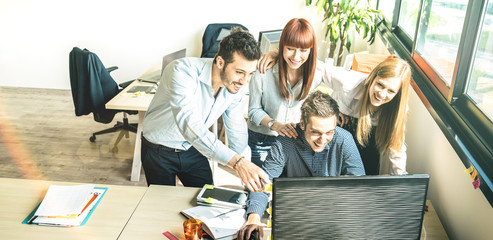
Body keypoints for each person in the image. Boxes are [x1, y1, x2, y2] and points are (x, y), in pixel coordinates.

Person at [141, 27, 270, 192]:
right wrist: (238, 163)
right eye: (240, 72)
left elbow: (236, 127)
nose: (245, 81)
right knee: (162, 206)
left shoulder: (235, 86)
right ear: (220, 62)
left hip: (193, 147)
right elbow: (190, 126)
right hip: (159, 150)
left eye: (250, 74)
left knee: (207, 199)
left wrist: (246, 167)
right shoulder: (182, 70)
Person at [238, 91, 365, 240]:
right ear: (303, 123)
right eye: (316, 132)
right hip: (294, 216)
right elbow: (263, 183)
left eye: (329, 132)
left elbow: (358, 186)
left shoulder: (345, 139)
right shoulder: (284, 142)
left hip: (333, 215)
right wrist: (254, 217)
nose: (323, 140)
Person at [259, 53, 411, 175]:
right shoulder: (350, 82)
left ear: (397, 94)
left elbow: (397, 148)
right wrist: (278, 54)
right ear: (373, 77)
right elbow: (316, 65)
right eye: (380, 85)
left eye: (391, 91)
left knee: (364, 179)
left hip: (369, 140)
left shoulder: (397, 109)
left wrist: (401, 181)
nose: (382, 94)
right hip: (340, 128)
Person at [248, 18, 322, 167]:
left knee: (286, 187)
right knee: (260, 187)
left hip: (295, 140)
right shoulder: (263, 71)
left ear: (311, 50)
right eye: (290, 48)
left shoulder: (316, 75)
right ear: (282, 46)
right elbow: (253, 110)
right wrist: (276, 125)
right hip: (262, 140)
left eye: (303, 50)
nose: (296, 57)